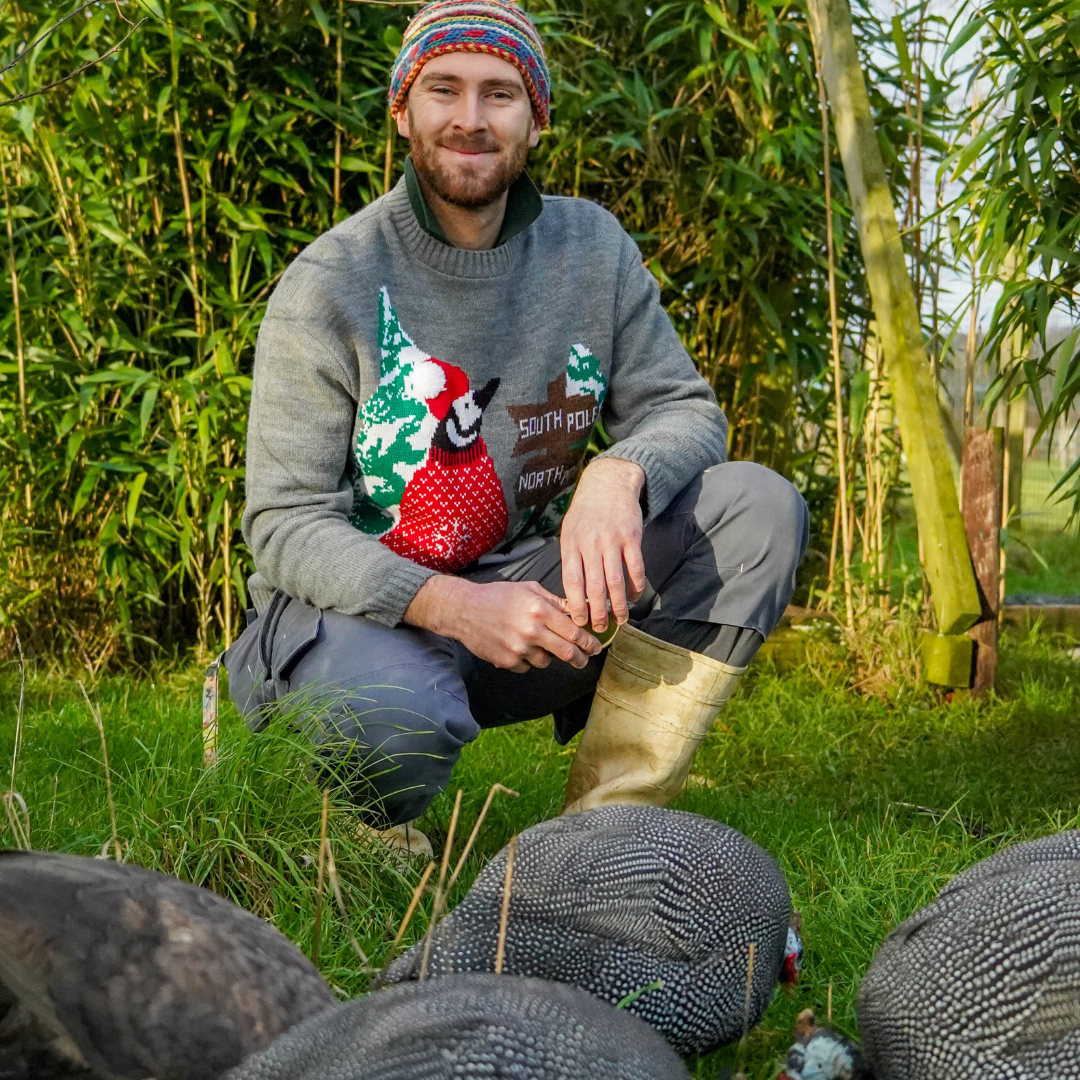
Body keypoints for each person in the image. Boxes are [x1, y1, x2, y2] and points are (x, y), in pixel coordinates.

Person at [225, 0, 808, 855]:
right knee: (393, 722)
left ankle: (602, 835)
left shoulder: (592, 250)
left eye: (500, 94)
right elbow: (281, 523)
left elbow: (685, 408)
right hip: (357, 624)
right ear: (402, 111)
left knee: (755, 508)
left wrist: (619, 474)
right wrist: (454, 605)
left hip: (529, 603)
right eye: (443, 90)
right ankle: (357, 820)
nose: (470, 119)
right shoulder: (329, 284)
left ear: (536, 117)